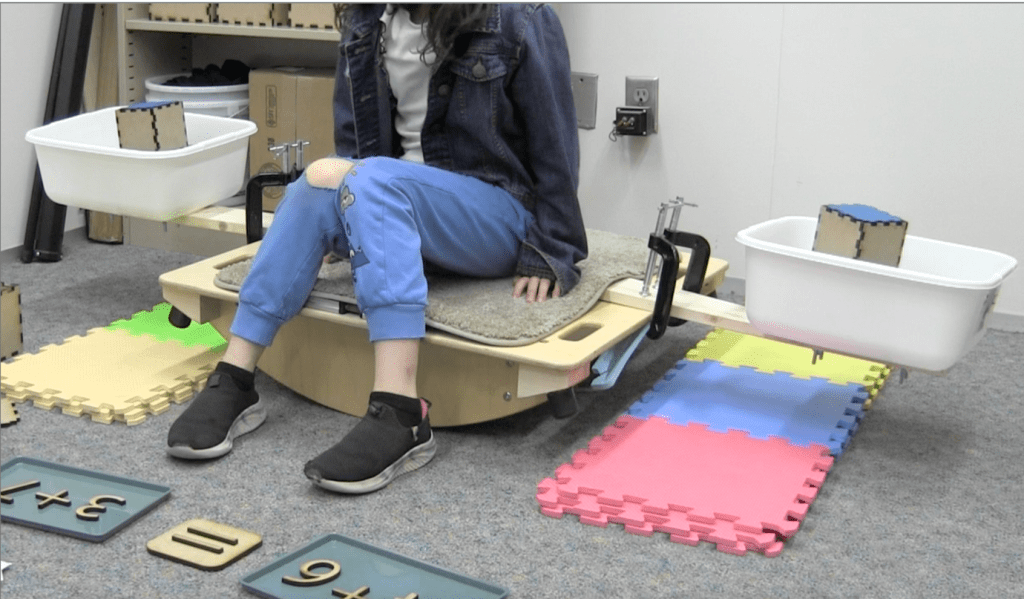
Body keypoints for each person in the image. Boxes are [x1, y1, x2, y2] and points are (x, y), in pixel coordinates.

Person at [166, 3, 587, 495]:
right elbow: (353, 149)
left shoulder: (519, 17)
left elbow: (557, 148)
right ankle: (235, 376)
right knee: (317, 179)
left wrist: (550, 249)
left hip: (496, 214)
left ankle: (401, 410)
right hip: (395, 203)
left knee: (372, 180)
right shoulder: (367, 19)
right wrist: (341, 217)